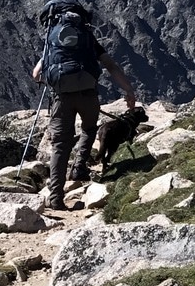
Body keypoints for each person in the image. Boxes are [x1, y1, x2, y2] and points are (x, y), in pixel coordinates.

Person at [32, 14, 137, 210]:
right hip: (88, 95)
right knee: (89, 129)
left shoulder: (54, 43)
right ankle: (79, 168)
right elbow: (112, 66)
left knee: (60, 145)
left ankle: (56, 196)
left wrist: (54, 82)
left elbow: (36, 74)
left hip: (61, 98)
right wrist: (129, 91)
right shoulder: (88, 41)